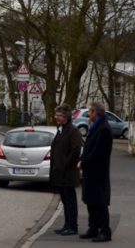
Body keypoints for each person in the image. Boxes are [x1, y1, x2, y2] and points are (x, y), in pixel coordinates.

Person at [79, 101, 114, 242]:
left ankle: (105, 231)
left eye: (90, 112)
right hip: (90, 170)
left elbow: (99, 152)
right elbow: (88, 147)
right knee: (91, 201)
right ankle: (93, 228)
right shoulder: (95, 126)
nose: (88, 114)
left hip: (98, 172)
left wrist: (84, 161)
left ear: (96, 113)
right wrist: (83, 159)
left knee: (100, 203)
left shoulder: (104, 128)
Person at [49, 104, 83, 236]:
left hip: (68, 172)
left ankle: (72, 226)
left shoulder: (73, 131)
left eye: (59, 115)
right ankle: (67, 225)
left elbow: (75, 151)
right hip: (60, 172)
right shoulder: (61, 129)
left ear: (66, 117)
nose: (56, 117)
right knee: (65, 200)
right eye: (56, 115)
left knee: (70, 201)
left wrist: (65, 164)